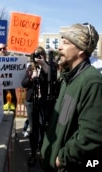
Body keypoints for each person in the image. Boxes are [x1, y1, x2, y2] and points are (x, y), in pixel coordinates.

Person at [41, 23, 102, 172]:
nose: (59, 47)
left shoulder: (91, 82)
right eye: (61, 41)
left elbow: (91, 135)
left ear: (81, 51)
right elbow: (64, 120)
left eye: (66, 43)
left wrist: (61, 160)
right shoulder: (70, 79)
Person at [0, 43, 17, 113]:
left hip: (11, 97)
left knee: (10, 121)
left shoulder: (14, 63)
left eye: (4, 48)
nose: (2, 50)